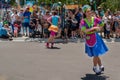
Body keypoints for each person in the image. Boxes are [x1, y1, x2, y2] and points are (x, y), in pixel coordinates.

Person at [80, 5, 108, 75]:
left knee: (96, 53)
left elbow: (102, 23)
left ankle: (95, 67)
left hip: (96, 38)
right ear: (85, 13)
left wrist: (100, 28)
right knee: (96, 54)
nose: (89, 12)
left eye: (90, 11)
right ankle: (100, 65)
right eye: (88, 11)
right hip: (89, 39)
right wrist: (94, 28)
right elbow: (85, 31)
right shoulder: (83, 21)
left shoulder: (95, 19)